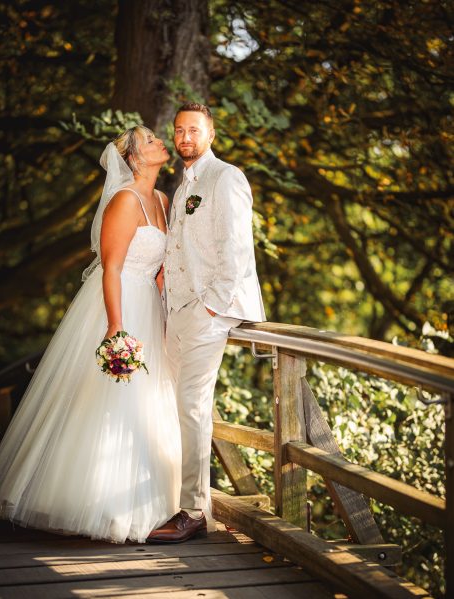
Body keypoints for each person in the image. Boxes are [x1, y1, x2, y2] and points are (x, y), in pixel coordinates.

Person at [0, 126, 182, 543]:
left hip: (151, 309)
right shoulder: (124, 200)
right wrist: (116, 326)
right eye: (150, 140)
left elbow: (159, 269)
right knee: (110, 398)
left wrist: (167, 312)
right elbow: (112, 267)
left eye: (157, 138)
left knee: (147, 400)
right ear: (134, 159)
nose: (159, 143)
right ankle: (98, 505)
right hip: (119, 305)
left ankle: (147, 504)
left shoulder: (163, 200)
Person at [146, 103, 266, 544]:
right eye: (178, 130)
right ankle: (180, 499)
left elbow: (235, 249)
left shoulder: (226, 177)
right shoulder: (182, 186)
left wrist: (211, 308)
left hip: (207, 313)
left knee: (193, 408)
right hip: (176, 312)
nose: (184, 137)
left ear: (210, 134)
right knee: (178, 408)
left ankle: (194, 511)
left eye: (193, 130)